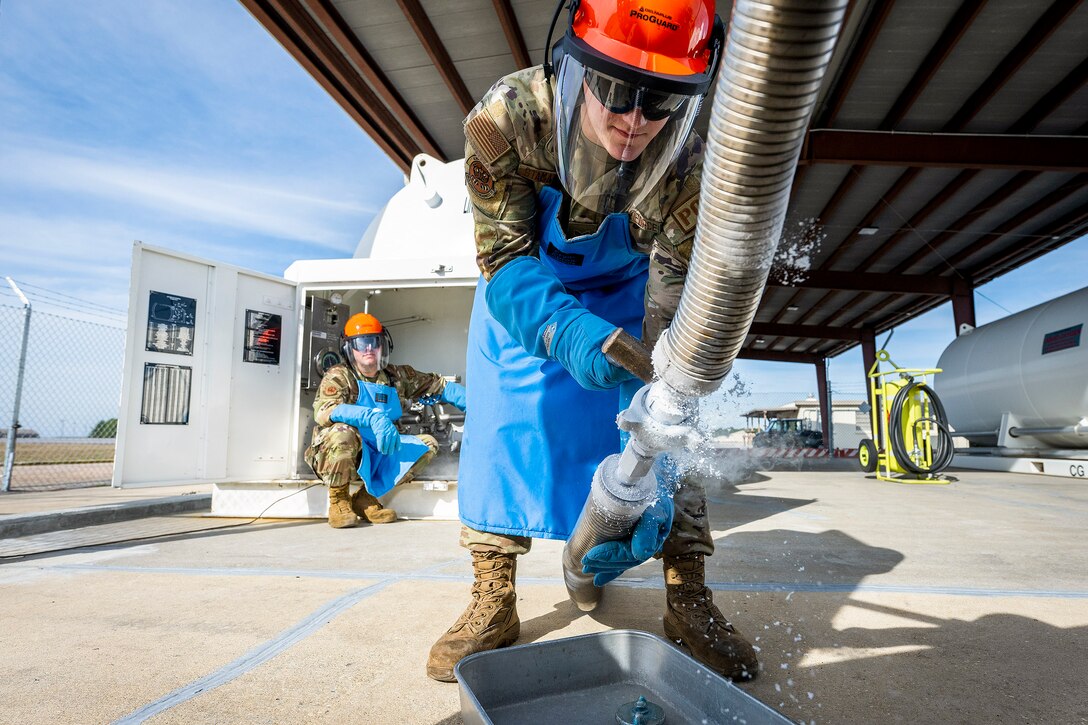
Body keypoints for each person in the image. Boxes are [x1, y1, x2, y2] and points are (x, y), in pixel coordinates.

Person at [426, 0, 759, 683]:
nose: (634, 119)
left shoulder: (694, 164)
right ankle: (494, 598)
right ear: (573, 62)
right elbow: (506, 257)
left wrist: (662, 406)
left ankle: (687, 593)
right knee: (503, 429)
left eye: (661, 100)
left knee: (672, 421)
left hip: (629, 296)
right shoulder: (507, 119)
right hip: (524, 293)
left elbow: (675, 307)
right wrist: (565, 328)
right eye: (613, 88)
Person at [305, 312, 467, 528]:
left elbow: (438, 385)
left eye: (373, 342)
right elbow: (325, 410)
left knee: (427, 445)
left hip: (379, 449)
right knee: (342, 433)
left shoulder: (396, 376)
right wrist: (369, 417)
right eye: (361, 344)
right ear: (349, 349)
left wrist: (474, 403)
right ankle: (339, 500)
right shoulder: (339, 376)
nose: (368, 349)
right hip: (344, 452)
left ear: (383, 345)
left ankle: (365, 498)